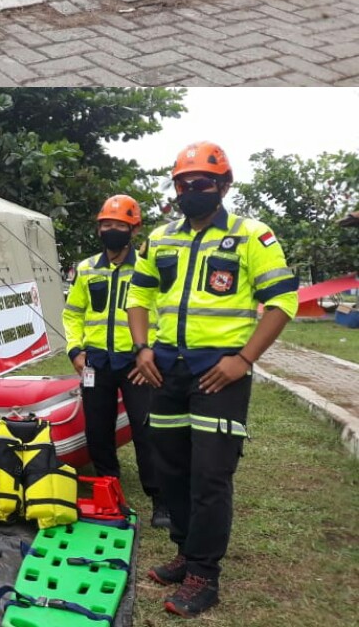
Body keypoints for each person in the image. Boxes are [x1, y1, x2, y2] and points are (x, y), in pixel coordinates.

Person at [127, 142, 299, 618]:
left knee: (210, 474)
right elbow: (138, 295)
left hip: (219, 374)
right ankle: (184, 549)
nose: (191, 190)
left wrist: (243, 359)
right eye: (183, 183)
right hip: (166, 369)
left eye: (201, 182)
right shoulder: (159, 238)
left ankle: (204, 573)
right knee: (171, 468)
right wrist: (143, 347)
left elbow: (283, 302)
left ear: (223, 185)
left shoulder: (252, 236)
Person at [62, 194, 168, 528]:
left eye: (119, 225)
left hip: (137, 364)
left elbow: (164, 313)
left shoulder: (147, 269)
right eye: (106, 224)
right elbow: (73, 313)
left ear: (133, 229)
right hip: (96, 363)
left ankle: (161, 500)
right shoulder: (87, 268)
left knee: (146, 430)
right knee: (97, 431)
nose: (111, 230)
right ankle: (111, 490)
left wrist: (149, 354)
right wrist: (75, 351)